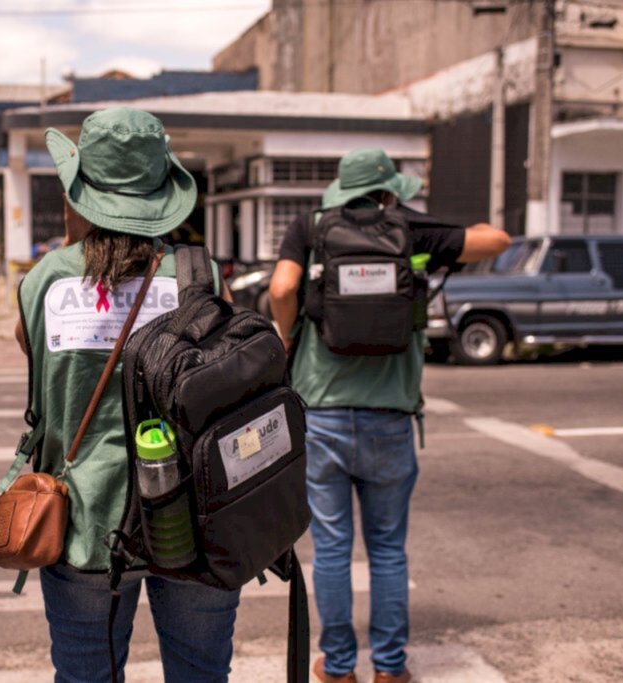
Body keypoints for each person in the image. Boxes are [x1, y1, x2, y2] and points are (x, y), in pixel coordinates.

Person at [13, 107, 239, 683]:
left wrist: (76, 235)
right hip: (194, 520)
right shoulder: (200, 276)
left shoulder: (43, 281)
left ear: (80, 190)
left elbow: (36, 360)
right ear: (163, 188)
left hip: (85, 525)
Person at [268, 148, 510, 683]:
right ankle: (390, 669)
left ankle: (337, 669)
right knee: (387, 550)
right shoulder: (411, 231)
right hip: (390, 418)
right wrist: (420, 225)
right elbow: (497, 240)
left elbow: (282, 288)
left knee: (332, 549)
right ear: (387, 192)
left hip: (324, 415)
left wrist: (285, 337)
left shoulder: (309, 228)